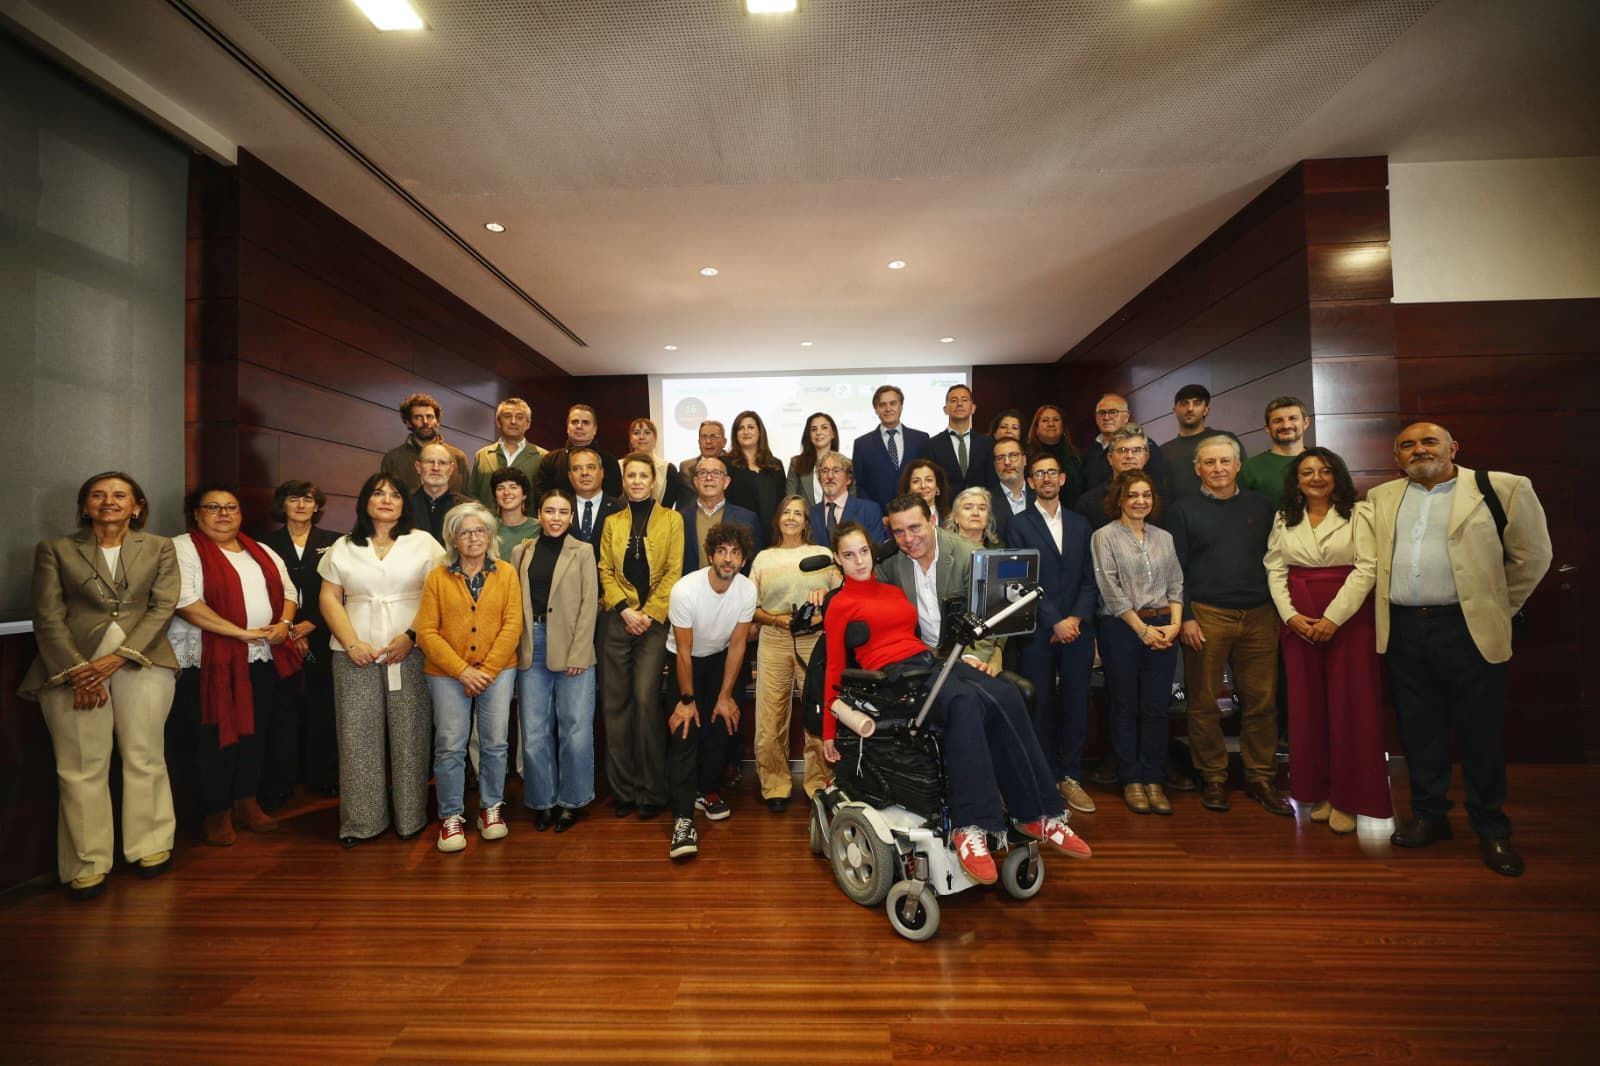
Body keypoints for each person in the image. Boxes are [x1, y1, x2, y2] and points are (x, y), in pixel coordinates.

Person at [821, 521, 1090, 885]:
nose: (859, 561)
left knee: (1007, 693)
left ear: (872, 552)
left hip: (926, 662)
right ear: (838, 560)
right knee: (963, 702)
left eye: (864, 552)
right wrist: (828, 731)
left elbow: (914, 640)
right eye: (849, 555)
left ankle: (1039, 814)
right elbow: (835, 666)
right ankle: (971, 826)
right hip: (890, 678)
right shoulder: (839, 604)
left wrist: (953, 659)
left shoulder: (892, 591)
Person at [1368, 422, 1552, 876]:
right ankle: (1431, 817)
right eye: (1407, 445)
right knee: (1419, 730)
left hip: (1468, 631)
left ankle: (1492, 828)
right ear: (1396, 458)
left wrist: (1494, 607)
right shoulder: (1381, 498)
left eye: (1429, 441)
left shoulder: (1501, 488)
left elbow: (1534, 556)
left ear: (1452, 448)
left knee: (1479, 733)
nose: (1418, 450)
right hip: (1406, 631)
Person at [21, 472, 179, 899]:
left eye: (119, 495)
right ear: (85, 505)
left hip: (143, 663)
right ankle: (87, 863)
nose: (108, 501)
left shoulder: (161, 547)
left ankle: (150, 845)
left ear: (137, 505)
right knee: (79, 766)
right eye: (98, 495)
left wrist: (116, 659)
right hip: (70, 669)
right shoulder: (54, 550)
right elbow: (48, 616)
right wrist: (77, 669)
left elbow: (162, 607)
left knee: (144, 756)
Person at [1264, 448, 1390, 836]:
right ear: (1296, 480)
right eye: (1306, 472)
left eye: (1324, 470)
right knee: (1308, 708)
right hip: (1299, 619)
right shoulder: (1285, 517)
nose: (1316, 477)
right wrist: (1290, 616)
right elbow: (1274, 566)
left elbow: (1368, 567)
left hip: (1348, 618)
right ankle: (1319, 792)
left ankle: (1350, 798)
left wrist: (1333, 617)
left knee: (1350, 707)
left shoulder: (1360, 513)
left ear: (1337, 476)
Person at [168, 485, 301, 846]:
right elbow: (185, 602)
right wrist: (238, 632)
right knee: (215, 734)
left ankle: (246, 801)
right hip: (209, 659)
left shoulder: (260, 549)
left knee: (256, 732)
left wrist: (284, 626)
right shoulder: (183, 548)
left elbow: (290, 592)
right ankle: (217, 811)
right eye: (213, 507)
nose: (223, 514)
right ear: (196, 514)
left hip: (260, 654)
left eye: (231, 507)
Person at [318, 473, 447, 847]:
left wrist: (411, 637)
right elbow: (329, 597)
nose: (386, 499)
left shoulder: (423, 543)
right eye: (378, 493)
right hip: (353, 652)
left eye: (395, 493)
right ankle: (362, 821)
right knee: (357, 736)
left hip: (410, 649)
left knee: (411, 734)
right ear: (365, 501)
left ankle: (410, 818)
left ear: (405, 503)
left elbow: (439, 596)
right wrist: (351, 642)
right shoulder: (343, 545)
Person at [1167, 437, 1287, 816]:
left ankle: (1260, 777)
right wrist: (1184, 615)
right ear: (1197, 469)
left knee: (1262, 702)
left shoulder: (1262, 506)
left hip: (1260, 614)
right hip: (1206, 614)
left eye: (1225, 461)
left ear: (1238, 466)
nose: (1217, 468)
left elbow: (1278, 560)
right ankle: (1214, 776)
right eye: (1209, 462)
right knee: (1203, 702)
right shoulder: (1182, 510)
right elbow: (1176, 569)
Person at [414, 502, 522, 853]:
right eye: (465, 532)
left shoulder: (505, 573)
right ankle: (451, 816)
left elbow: (513, 624)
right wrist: (462, 670)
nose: (473, 538)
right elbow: (426, 632)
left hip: (497, 671)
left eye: (479, 531)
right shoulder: (437, 577)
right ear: (453, 539)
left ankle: (491, 808)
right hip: (447, 674)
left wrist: (487, 670)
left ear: (490, 536)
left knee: (495, 743)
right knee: (450, 745)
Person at [1004, 453, 1099, 814]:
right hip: (1038, 631)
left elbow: (1091, 577)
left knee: (1077, 703)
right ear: (1030, 482)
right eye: (1038, 473)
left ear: (1062, 479)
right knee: (1040, 705)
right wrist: (1055, 619)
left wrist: (1075, 618)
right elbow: (1022, 579)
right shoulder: (1019, 524)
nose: (1045, 478)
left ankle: (1071, 776)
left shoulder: (1080, 523)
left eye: (1051, 473)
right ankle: (1044, 777)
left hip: (1078, 628)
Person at [664, 524, 759, 860]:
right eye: (722, 551)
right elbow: (685, 651)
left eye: (735, 552)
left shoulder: (747, 591)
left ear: (743, 559)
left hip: (720, 659)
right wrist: (687, 701)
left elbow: (736, 646)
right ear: (710, 555)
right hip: (684, 661)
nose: (728, 559)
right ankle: (682, 819)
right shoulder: (685, 590)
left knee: (720, 724)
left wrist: (725, 695)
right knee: (686, 732)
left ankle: (707, 791)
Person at [1091, 471, 1183, 815]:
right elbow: (1110, 589)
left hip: (1164, 625)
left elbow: (1176, 582)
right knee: (1126, 705)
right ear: (1120, 499)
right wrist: (1141, 630)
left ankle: (1154, 778)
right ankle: (1131, 778)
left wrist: (1174, 625)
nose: (1140, 501)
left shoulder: (1164, 537)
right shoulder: (1104, 536)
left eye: (1146, 495)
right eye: (1133, 495)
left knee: (1157, 707)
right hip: (1122, 628)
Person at [598, 452, 684, 820]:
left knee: (646, 700)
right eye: (630, 475)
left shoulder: (672, 519)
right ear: (624, 481)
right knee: (615, 704)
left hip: (654, 622)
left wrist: (647, 614)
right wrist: (623, 609)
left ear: (654, 481)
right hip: (618, 620)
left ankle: (652, 792)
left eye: (642, 476)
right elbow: (604, 568)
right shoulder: (612, 521)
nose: (636, 481)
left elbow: (673, 570)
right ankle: (624, 790)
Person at [514, 489, 598, 833]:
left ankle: (572, 801)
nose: (556, 518)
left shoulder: (583, 551)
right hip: (531, 645)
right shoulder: (522, 550)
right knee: (534, 731)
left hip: (572, 647)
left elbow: (589, 603)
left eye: (563, 512)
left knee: (575, 730)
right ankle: (542, 801)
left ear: (570, 517)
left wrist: (579, 653)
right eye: (549, 510)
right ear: (539, 513)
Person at [749, 495, 839, 810]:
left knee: (817, 713)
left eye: (798, 513)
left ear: (806, 522)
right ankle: (775, 786)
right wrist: (774, 619)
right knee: (770, 717)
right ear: (778, 519)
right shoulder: (763, 558)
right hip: (774, 637)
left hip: (814, 641)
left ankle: (819, 785)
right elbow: (750, 607)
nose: (791, 517)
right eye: (786, 511)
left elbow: (841, 597)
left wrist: (821, 609)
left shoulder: (823, 554)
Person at [261, 480, 342, 800]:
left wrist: (312, 625)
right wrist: (291, 628)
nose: (301, 505)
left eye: (308, 499)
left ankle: (322, 777)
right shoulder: (264, 544)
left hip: (325, 633)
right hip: (280, 635)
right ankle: (281, 782)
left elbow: (343, 591)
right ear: (282, 505)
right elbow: (264, 592)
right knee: (283, 708)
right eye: (293, 499)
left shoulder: (335, 542)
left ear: (316, 506)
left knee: (323, 707)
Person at [876, 496, 998, 672]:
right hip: (918, 657)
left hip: (965, 651)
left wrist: (973, 658)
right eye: (898, 532)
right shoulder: (889, 560)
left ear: (932, 520)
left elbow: (989, 614)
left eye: (914, 528)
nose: (908, 539)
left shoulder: (970, 556)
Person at [675, 452, 762, 573]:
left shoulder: (747, 518)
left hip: (733, 588)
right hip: (691, 589)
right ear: (695, 482)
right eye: (703, 473)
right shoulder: (679, 518)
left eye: (716, 473)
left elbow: (754, 564)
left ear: (726, 482)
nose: (709, 478)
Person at [1161, 384, 1246, 502]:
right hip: (1182, 516)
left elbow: (1243, 479)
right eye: (1184, 403)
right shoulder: (1164, 451)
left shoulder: (1225, 440)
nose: (1190, 408)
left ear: (1206, 410)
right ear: (1174, 411)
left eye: (1197, 403)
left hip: (1228, 510)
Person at [850, 384, 929, 509]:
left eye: (893, 403)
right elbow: (860, 486)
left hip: (915, 514)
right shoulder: (862, 444)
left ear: (901, 406)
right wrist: (876, 515)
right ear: (876, 409)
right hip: (878, 520)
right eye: (882, 405)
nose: (888, 409)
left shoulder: (921, 439)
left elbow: (927, 479)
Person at [380, 392, 470, 495]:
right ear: (408, 423)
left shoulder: (458, 457)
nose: (425, 422)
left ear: (438, 421)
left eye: (430, 416)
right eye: (418, 417)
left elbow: (467, 499)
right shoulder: (393, 459)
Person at [466, 397, 545, 508]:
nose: (513, 421)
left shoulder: (542, 457)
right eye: (507, 416)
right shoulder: (483, 455)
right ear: (498, 422)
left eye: (519, 417)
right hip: (488, 524)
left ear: (528, 424)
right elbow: (472, 495)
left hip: (528, 524)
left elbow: (547, 499)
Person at [1083, 393, 1168, 493]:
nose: (1106, 417)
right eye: (1102, 413)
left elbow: (1157, 487)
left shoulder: (1146, 446)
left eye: (1113, 412)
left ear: (1127, 416)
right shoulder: (1089, 452)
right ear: (1096, 418)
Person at [535, 404, 623, 499]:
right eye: (574, 422)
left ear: (595, 429)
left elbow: (614, 496)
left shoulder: (609, 461)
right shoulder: (550, 460)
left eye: (585, 422)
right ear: (567, 427)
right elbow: (541, 497)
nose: (579, 426)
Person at [1075, 423, 1152, 531]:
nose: (1129, 456)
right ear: (1110, 458)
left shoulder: (1160, 499)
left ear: (1146, 457)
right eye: (1122, 450)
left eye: (1136, 450)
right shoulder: (1088, 503)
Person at [927, 384, 996, 494]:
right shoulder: (932, 445)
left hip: (980, 507)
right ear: (945, 409)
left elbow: (993, 482)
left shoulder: (988, 443)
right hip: (947, 508)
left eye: (964, 400)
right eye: (954, 400)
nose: (959, 404)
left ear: (973, 408)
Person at [727, 410, 787, 534]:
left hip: (773, 535)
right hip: (739, 534)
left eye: (751, 427)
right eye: (740, 428)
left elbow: (782, 502)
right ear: (735, 434)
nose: (746, 432)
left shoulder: (775, 465)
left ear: (760, 432)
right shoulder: (726, 464)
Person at [1238, 396, 1311, 497]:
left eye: (1293, 418)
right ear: (1267, 428)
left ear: (1306, 423)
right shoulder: (1250, 468)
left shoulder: (1326, 462)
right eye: (1278, 421)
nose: (1286, 425)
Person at [809, 452, 886, 545]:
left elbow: (876, 549)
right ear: (819, 478)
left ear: (849, 479)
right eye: (824, 471)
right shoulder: (810, 513)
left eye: (836, 471)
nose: (829, 476)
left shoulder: (870, 510)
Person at [408, 441, 472, 544]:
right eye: (429, 462)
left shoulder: (467, 507)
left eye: (442, 463)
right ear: (418, 467)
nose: (436, 468)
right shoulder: (403, 504)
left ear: (451, 469)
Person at [565, 446, 623, 554]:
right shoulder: (561, 509)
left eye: (591, 467)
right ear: (570, 476)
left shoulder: (620, 509)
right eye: (577, 468)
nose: (584, 473)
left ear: (602, 472)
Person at [1025, 404, 1084, 506]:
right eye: (1045, 420)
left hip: (1072, 514)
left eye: (1056, 420)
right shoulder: (1025, 456)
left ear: (1063, 426)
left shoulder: (1077, 456)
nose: (1051, 424)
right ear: (1036, 428)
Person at [785, 412, 839, 508]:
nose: (818, 432)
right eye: (813, 429)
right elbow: (790, 499)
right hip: (805, 521)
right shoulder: (796, 463)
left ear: (833, 434)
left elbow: (851, 502)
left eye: (824, 427)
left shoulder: (846, 465)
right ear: (809, 435)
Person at [627, 417, 680, 508]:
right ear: (631, 440)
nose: (642, 437)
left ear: (655, 439)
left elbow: (668, 504)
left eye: (647, 433)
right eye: (636, 433)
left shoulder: (668, 469)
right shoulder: (619, 466)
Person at [488, 467, 537, 562]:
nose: (506, 492)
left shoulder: (539, 528)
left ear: (524, 494)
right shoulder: (487, 527)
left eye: (513, 487)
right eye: (500, 488)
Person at [987, 436, 1030, 542]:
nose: (1007, 462)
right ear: (995, 465)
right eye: (1000, 458)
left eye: (1013, 455)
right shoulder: (986, 501)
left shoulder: (1040, 497)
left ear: (1024, 460)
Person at [678, 420, 728, 497]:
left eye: (713, 436)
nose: (708, 441)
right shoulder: (685, 467)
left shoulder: (734, 466)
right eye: (704, 437)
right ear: (699, 442)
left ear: (724, 442)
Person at [896, 457, 950, 527]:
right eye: (916, 481)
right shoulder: (898, 520)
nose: (923, 486)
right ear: (908, 489)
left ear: (937, 486)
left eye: (929, 480)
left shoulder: (951, 518)